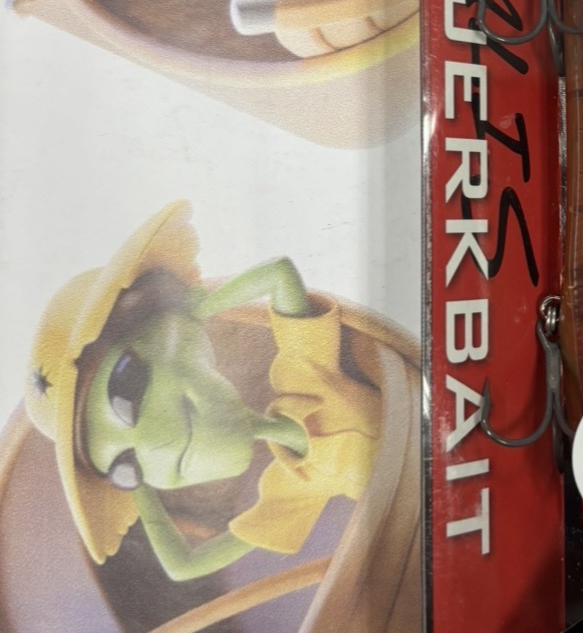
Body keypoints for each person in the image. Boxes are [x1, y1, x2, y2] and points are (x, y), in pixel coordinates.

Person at [25, 202, 380, 581]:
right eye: (125, 465)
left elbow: (280, 273)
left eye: (125, 391)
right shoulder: (291, 489)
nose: (155, 442)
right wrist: (138, 490)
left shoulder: (304, 374)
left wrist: (198, 309)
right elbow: (184, 567)